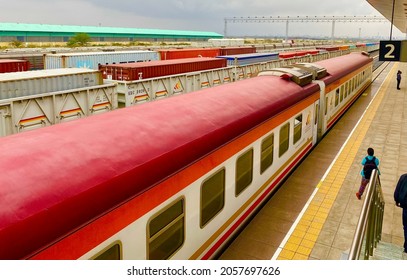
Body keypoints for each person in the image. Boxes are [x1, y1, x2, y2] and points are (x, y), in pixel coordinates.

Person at [394, 173, 407, 254]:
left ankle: (406, 248)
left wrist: (397, 200)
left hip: (406, 207)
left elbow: (397, 191)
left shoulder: (404, 177)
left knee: (406, 227)